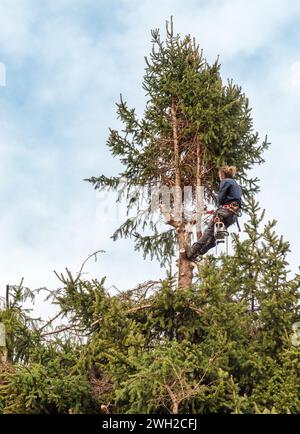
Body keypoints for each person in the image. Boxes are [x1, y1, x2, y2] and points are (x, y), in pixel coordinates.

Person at [185, 165, 242, 260]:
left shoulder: (225, 181)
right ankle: (200, 252)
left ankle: (193, 250)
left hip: (225, 211)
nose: (219, 177)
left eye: (220, 175)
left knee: (209, 230)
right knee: (214, 237)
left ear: (223, 174)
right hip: (233, 216)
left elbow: (220, 199)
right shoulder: (236, 185)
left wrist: (217, 195)